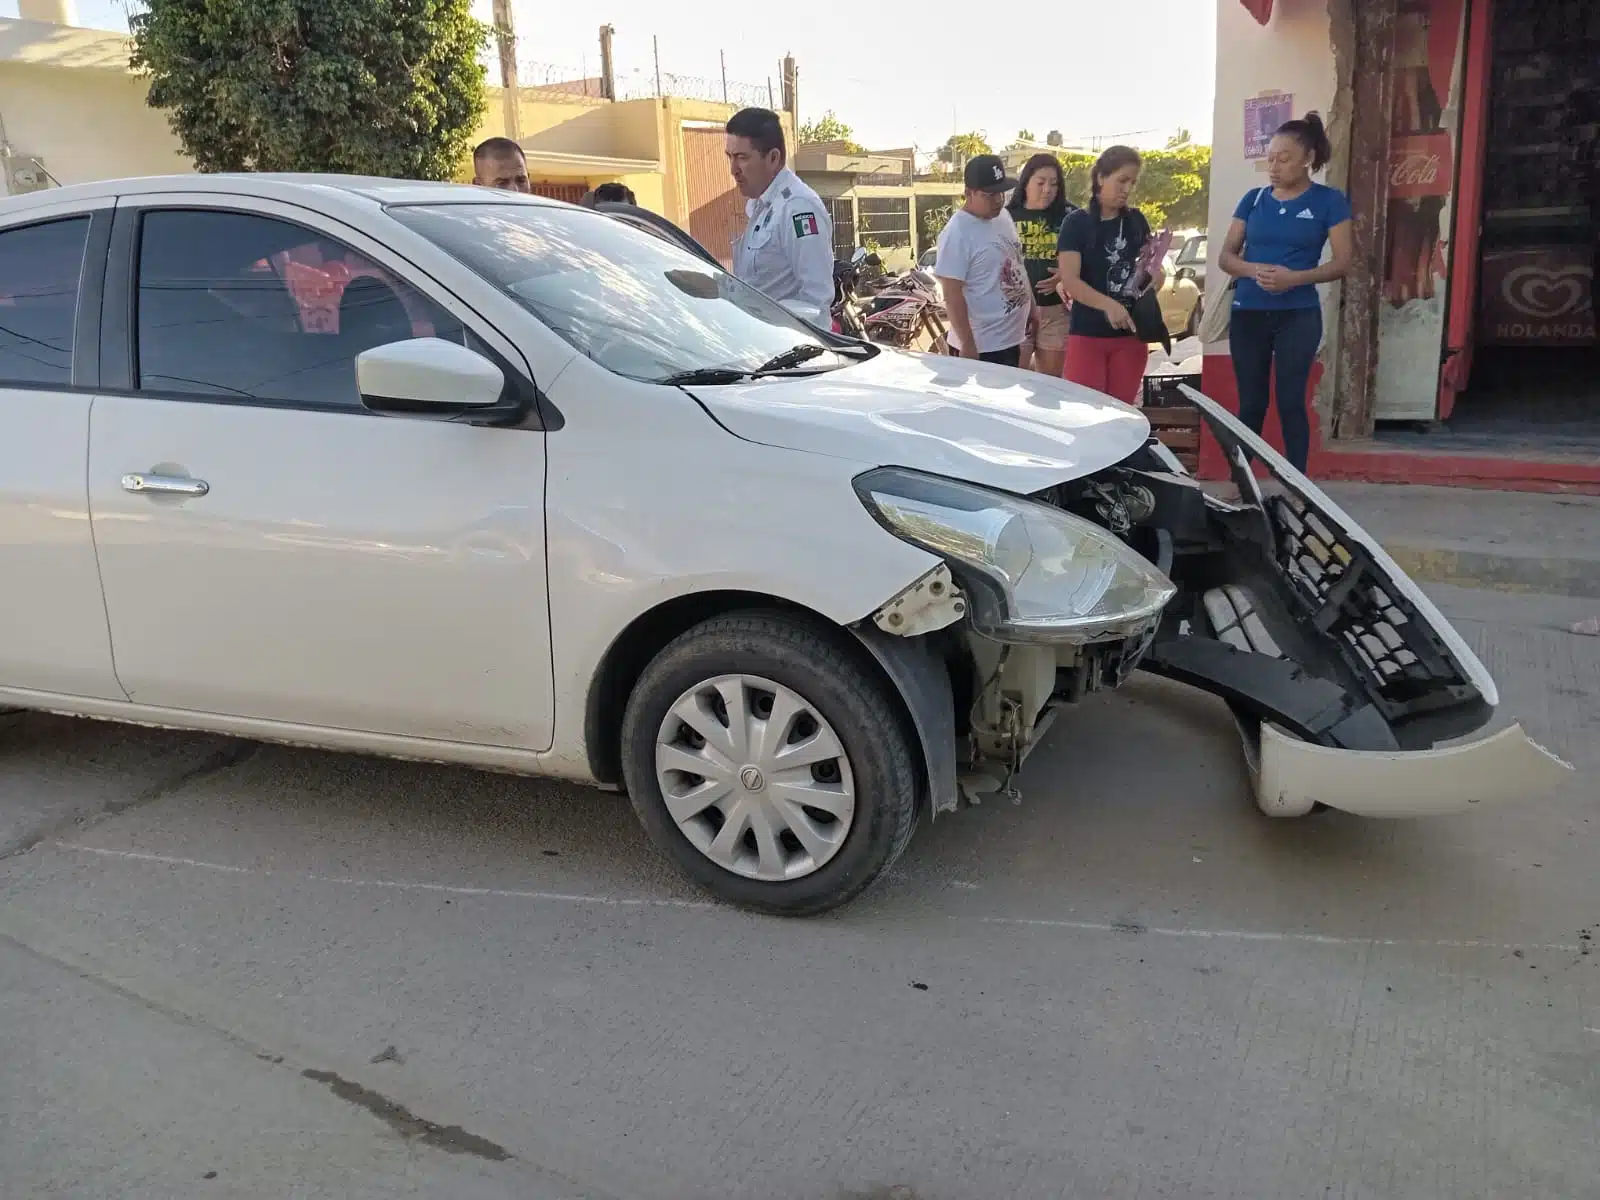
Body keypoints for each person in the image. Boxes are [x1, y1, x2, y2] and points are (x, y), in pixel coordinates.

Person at [1218, 112, 1352, 473]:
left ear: (1308, 159)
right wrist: (1253, 270)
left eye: (1284, 158)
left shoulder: (1329, 201)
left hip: (1298, 313)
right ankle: (1242, 483)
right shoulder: (1254, 199)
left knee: (1292, 401)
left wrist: (1294, 278)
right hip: (1249, 313)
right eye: (1271, 158)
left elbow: (1343, 263)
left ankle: (1299, 485)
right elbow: (1226, 257)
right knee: (1251, 404)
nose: (1274, 167)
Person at [1056, 146, 1160, 404]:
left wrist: (1155, 279)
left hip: (1131, 338)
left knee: (1122, 416)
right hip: (1088, 334)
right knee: (1083, 413)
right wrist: (1108, 305)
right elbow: (1070, 279)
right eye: (1122, 180)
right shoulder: (1076, 223)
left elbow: (1150, 270)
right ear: (1101, 177)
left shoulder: (1136, 221)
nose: (1127, 189)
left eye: (1132, 183)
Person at [725, 107, 833, 319]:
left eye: (742, 157)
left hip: (786, 345)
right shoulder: (759, 205)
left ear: (773, 158)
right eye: (729, 157)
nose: (733, 169)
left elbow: (815, 303)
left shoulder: (799, 208)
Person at [934, 155, 1035, 366]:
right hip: (983, 349)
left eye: (1001, 193)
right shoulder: (957, 233)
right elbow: (952, 296)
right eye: (989, 195)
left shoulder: (1003, 217)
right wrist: (968, 344)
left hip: (1013, 339)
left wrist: (1032, 309)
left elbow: (1018, 264)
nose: (998, 200)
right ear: (968, 194)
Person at [1007, 153, 1077, 377]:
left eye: (1054, 184)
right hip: (1016, 312)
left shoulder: (1071, 216)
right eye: (1040, 182)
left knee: (1050, 386)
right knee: (1012, 381)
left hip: (1056, 312)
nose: (1047, 189)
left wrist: (1066, 274)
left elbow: (1092, 257)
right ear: (1026, 182)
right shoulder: (1006, 216)